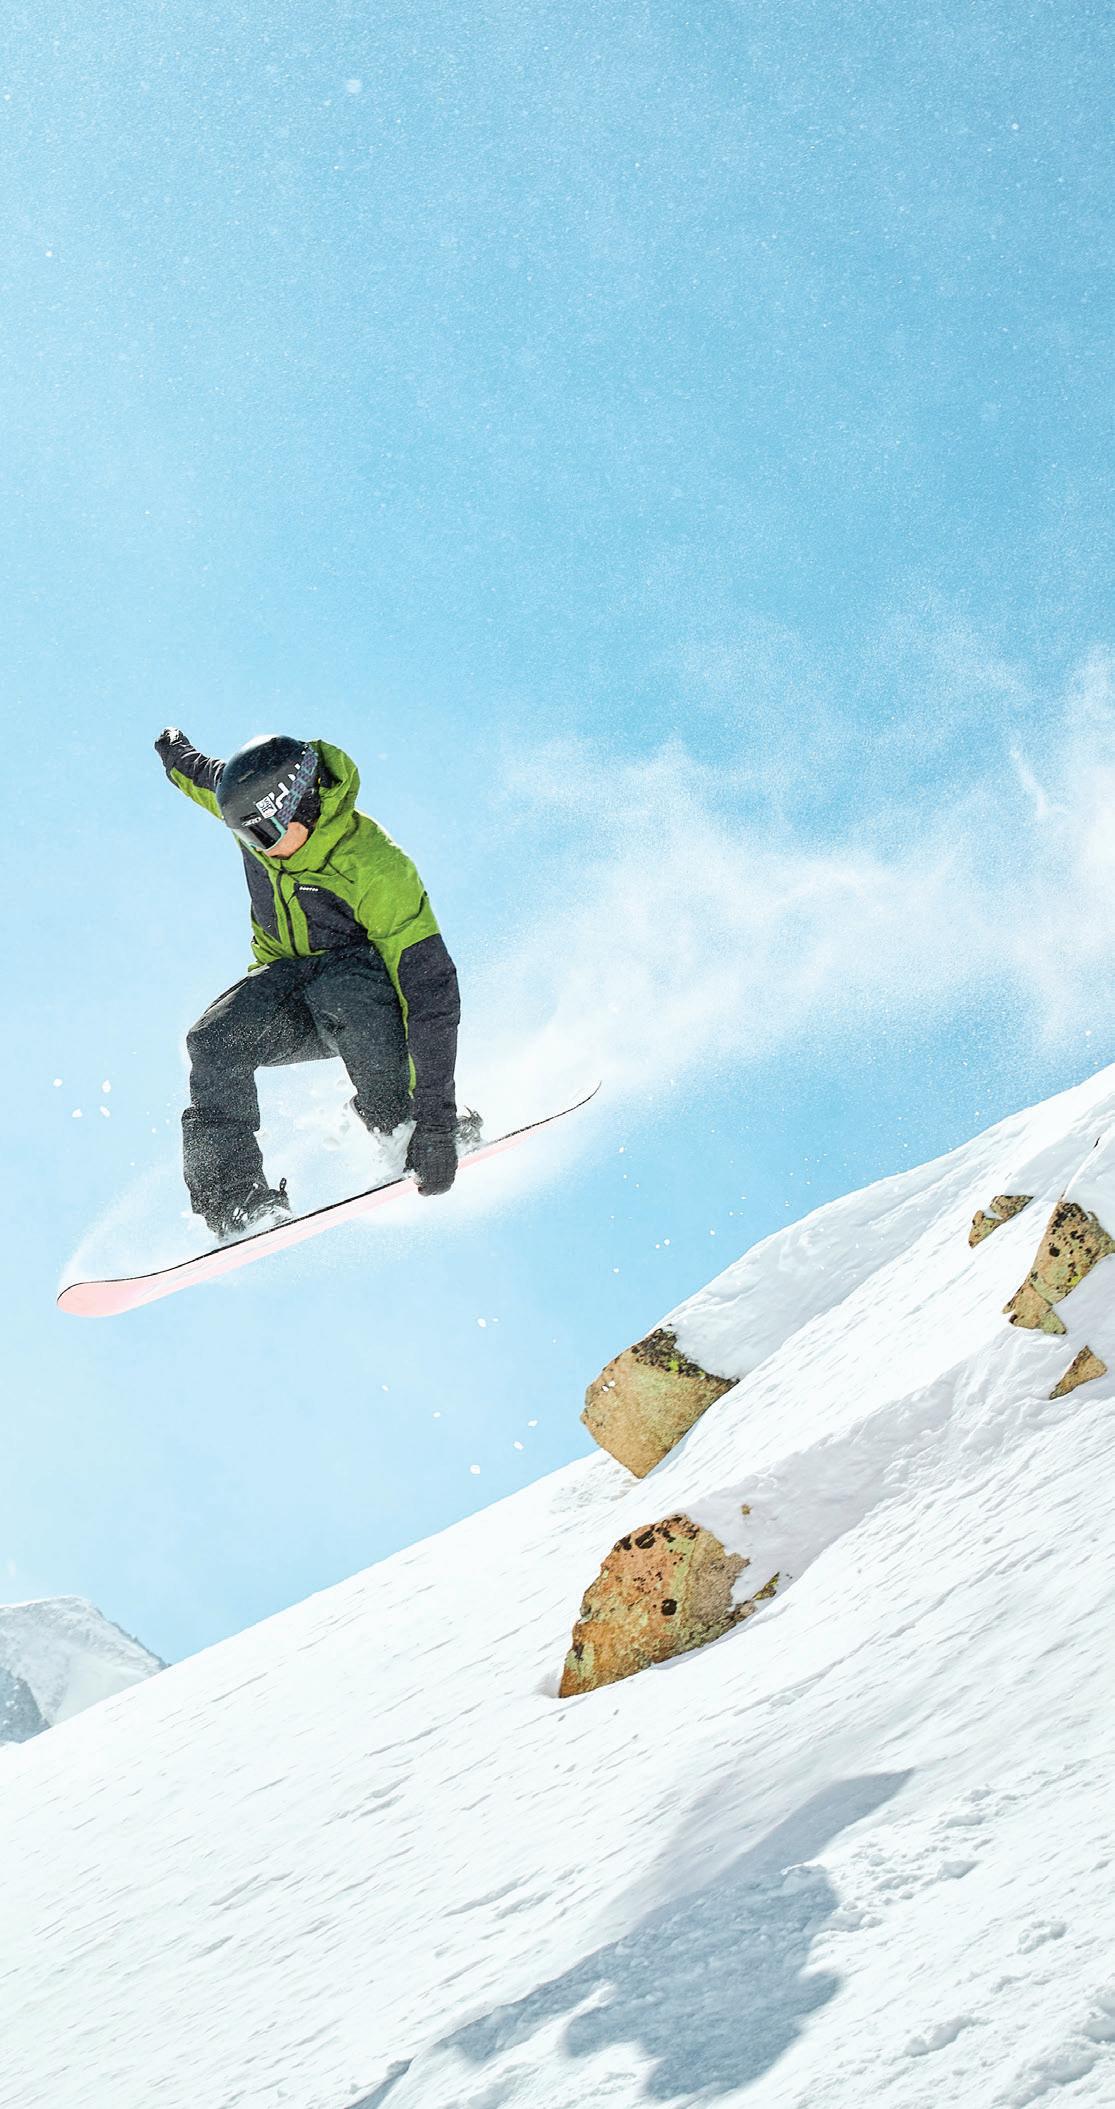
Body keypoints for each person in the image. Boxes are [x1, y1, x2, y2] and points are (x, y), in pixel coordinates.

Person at [155, 729, 468, 1238]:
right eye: (249, 838)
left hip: (368, 1000)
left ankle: (403, 1121)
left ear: (300, 803)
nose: (261, 848)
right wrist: (171, 749)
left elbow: (430, 991)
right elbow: (199, 775)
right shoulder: (254, 815)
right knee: (212, 1041)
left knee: (339, 986)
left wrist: (436, 1120)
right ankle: (236, 1204)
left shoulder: (375, 866)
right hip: (292, 985)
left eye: (265, 834)